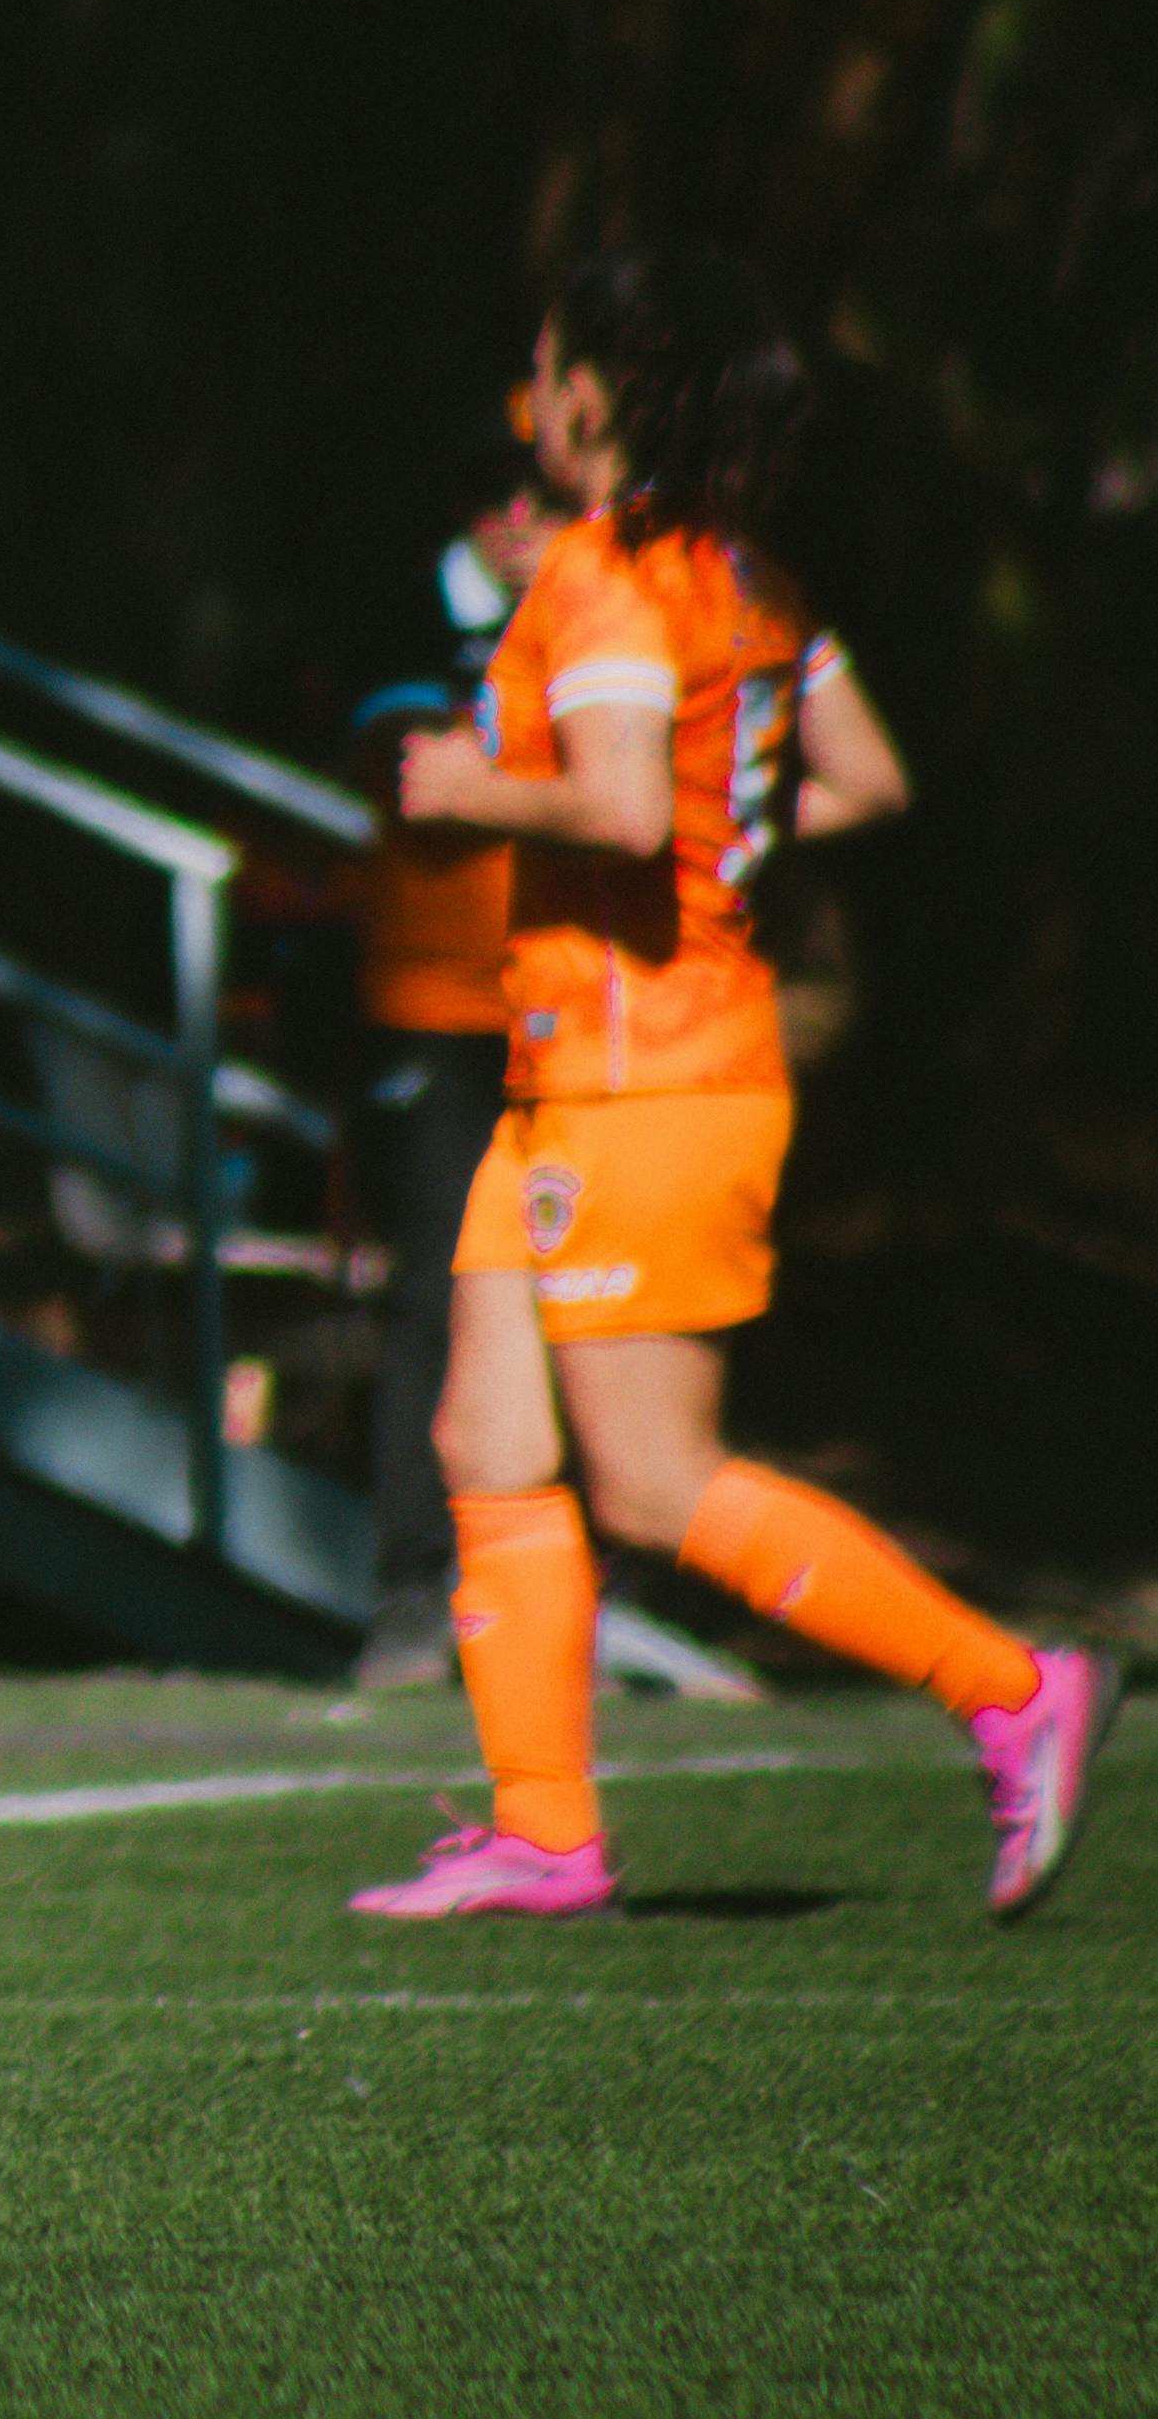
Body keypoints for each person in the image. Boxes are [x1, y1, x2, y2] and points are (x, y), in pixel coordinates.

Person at [354, 250, 1118, 1923]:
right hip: (576, 1068)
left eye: (540, 368)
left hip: (648, 1080)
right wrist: (731, 843)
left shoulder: (615, 586)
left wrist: (473, 782)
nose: (523, 400)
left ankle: (1013, 1692)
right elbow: (866, 774)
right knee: (487, 1431)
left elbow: (626, 809)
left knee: (646, 1476)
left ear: (592, 396)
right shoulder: (744, 579)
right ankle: (542, 1830)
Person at [340, 458, 558, 1688]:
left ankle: (568, 1585)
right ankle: (411, 1594)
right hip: (436, 1010)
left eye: (544, 491)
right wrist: (587, 782)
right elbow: (424, 788)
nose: (522, 516)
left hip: (570, 1008)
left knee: (581, 1302)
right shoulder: (408, 618)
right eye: (495, 490)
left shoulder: (598, 613)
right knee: (437, 1296)